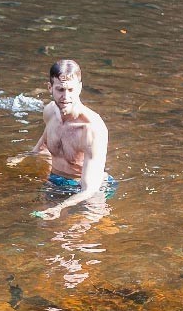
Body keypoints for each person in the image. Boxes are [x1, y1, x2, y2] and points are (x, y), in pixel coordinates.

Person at [7, 59, 112, 220]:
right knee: (39, 226)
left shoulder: (92, 129)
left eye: (71, 89)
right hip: (55, 182)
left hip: (88, 189)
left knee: (76, 236)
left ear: (80, 87)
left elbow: (90, 188)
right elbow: (46, 138)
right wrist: (28, 155)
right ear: (50, 88)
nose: (66, 96)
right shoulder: (50, 111)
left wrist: (60, 207)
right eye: (60, 89)